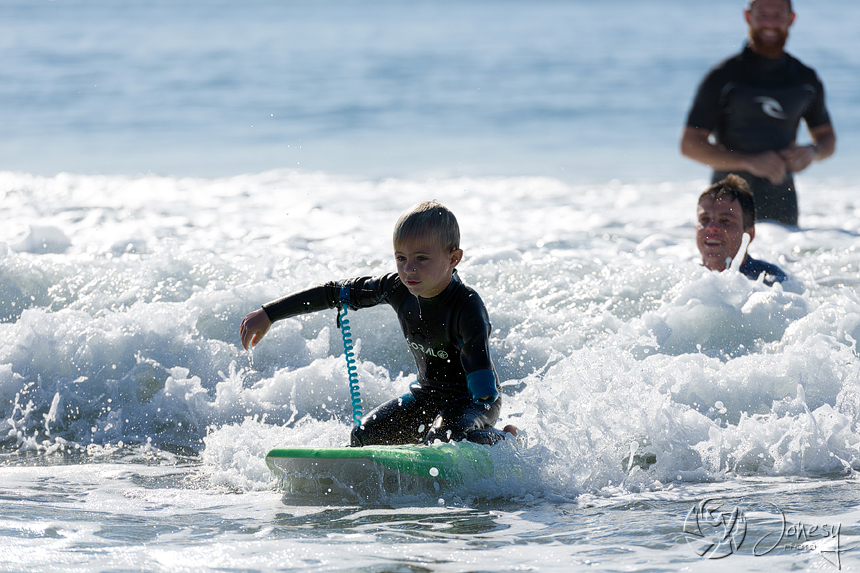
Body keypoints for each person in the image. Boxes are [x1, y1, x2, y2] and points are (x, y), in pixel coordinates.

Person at [240, 200, 517, 447]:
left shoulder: (467, 304)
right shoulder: (395, 287)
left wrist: (475, 409)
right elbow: (334, 292)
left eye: (421, 259)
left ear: (453, 258)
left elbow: (480, 372)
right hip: (427, 396)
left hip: (475, 400)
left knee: (446, 438)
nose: (408, 269)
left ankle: (506, 438)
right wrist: (270, 313)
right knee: (363, 436)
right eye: (401, 258)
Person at [681, 0, 836, 227]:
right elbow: (690, 145)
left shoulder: (805, 79)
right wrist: (748, 161)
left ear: (791, 19)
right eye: (762, 14)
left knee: (790, 251)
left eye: (778, 15)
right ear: (748, 17)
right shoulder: (724, 77)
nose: (770, 23)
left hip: (782, 204)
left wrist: (812, 152)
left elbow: (827, 138)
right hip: (727, 203)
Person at [696, 174, 788, 286]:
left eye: (725, 220)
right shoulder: (688, 277)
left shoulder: (771, 281)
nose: (711, 228)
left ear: (749, 234)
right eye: (704, 219)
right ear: (696, 229)